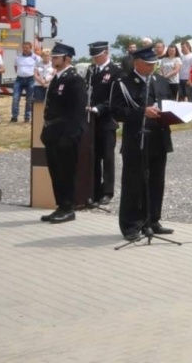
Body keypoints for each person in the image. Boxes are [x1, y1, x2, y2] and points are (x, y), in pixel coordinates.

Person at [111, 46, 175, 240]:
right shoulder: (123, 83)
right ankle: (131, 225)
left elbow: (169, 103)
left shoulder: (161, 81)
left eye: (154, 64)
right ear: (136, 63)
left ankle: (152, 220)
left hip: (158, 138)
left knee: (156, 182)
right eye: (148, 64)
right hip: (136, 139)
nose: (152, 67)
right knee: (134, 183)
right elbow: (117, 111)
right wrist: (142, 112)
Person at [37, 43, 87, 224]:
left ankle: (68, 207)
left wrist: (72, 134)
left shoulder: (74, 79)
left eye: (57, 57)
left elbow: (78, 110)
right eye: (53, 57)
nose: (53, 59)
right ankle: (61, 205)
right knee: (56, 171)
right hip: (53, 132)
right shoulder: (58, 78)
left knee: (66, 171)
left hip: (66, 133)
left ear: (67, 59)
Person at [83, 42, 123, 208]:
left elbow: (115, 97)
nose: (95, 59)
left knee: (107, 157)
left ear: (106, 53)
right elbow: (87, 90)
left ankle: (107, 191)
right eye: (93, 56)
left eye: (97, 56)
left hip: (107, 119)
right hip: (91, 120)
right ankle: (94, 189)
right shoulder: (91, 71)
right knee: (93, 156)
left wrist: (98, 108)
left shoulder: (115, 72)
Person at [10, 41, 39, 123]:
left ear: (30, 48)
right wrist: (21, 72)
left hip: (31, 80)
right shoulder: (18, 57)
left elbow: (39, 68)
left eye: (27, 48)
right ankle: (14, 117)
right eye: (24, 48)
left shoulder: (35, 57)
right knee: (15, 98)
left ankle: (27, 117)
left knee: (29, 99)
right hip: (19, 79)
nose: (25, 49)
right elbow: (15, 67)